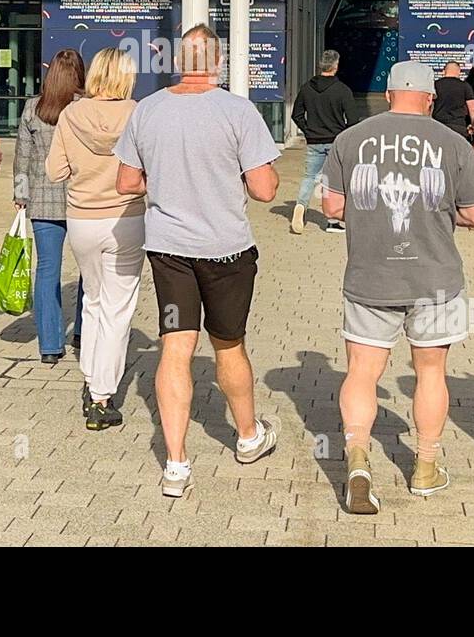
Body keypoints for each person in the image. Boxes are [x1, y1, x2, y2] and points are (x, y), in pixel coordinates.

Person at [115, 25, 281, 499]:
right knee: (228, 345)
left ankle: (176, 464)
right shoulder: (237, 110)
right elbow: (265, 189)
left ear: (177, 61)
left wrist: (165, 184)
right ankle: (248, 438)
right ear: (218, 62)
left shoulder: (148, 109)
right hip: (227, 250)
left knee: (174, 347)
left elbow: (127, 182)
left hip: (169, 251)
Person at [321, 60, 474, 514]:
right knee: (430, 372)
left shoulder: (350, 139)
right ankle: (426, 469)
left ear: (389, 95)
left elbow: (333, 207)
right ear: (430, 98)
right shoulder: (453, 143)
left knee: (361, 372)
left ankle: (357, 459)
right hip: (435, 280)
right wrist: (438, 212)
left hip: (369, 277)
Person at [47, 48, 145, 430]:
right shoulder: (138, 113)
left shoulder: (71, 114)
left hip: (82, 220)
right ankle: (102, 396)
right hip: (126, 218)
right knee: (118, 308)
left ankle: (91, 377)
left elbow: (55, 171)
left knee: (92, 298)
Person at [14, 49, 86, 364]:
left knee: (46, 271)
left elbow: (22, 158)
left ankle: (49, 345)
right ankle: (83, 331)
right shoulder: (86, 109)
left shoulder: (33, 108)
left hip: (43, 200)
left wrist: (21, 194)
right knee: (91, 272)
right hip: (84, 198)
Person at [289, 49, 354, 234]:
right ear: (336, 66)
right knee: (335, 180)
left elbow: (296, 114)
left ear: (320, 65)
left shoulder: (306, 88)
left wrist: (308, 130)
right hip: (336, 141)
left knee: (310, 177)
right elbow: (353, 118)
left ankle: (300, 206)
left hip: (314, 140)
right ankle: (333, 221)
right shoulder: (342, 90)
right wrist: (343, 135)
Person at [431, 61, 474, 141]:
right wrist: (473, 125)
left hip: (438, 124)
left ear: (443, 71)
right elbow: (472, 108)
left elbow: (429, 104)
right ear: (459, 72)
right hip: (458, 125)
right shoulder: (465, 86)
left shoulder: (435, 85)